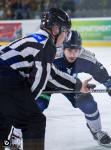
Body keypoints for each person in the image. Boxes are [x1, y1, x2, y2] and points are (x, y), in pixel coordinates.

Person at [0, 9, 91, 150]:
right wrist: (27, 108)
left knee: (3, 126)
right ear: (56, 29)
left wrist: (78, 85)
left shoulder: (35, 40)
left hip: (5, 78)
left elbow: (52, 75)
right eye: (66, 31)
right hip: (6, 77)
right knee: (34, 121)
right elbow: (38, 82)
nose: (66, 37)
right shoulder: (47, 45)